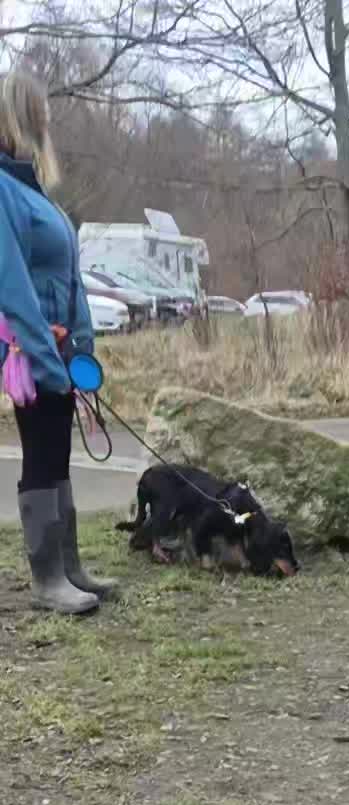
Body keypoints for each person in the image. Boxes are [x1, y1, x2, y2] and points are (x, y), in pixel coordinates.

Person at [0, 67, 114, 614]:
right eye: (40, 111)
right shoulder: (2, 190)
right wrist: (45, 357)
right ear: (21, 116)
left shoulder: (35, 191)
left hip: (61, 349)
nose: (48, 120)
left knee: (59, 450)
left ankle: (69, 568)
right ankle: (48, 580)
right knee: (42, 450)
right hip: (30, 351)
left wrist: (82, 346)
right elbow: (12, 284)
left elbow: (69, 274)